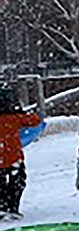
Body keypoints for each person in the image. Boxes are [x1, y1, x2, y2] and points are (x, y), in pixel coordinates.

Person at [0, 85, 42, 221]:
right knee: (17, 183)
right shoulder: (15, 118)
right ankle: (12, 207)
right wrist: (21, 112)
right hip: (14, 158)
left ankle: (2, 206)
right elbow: (36, 120)